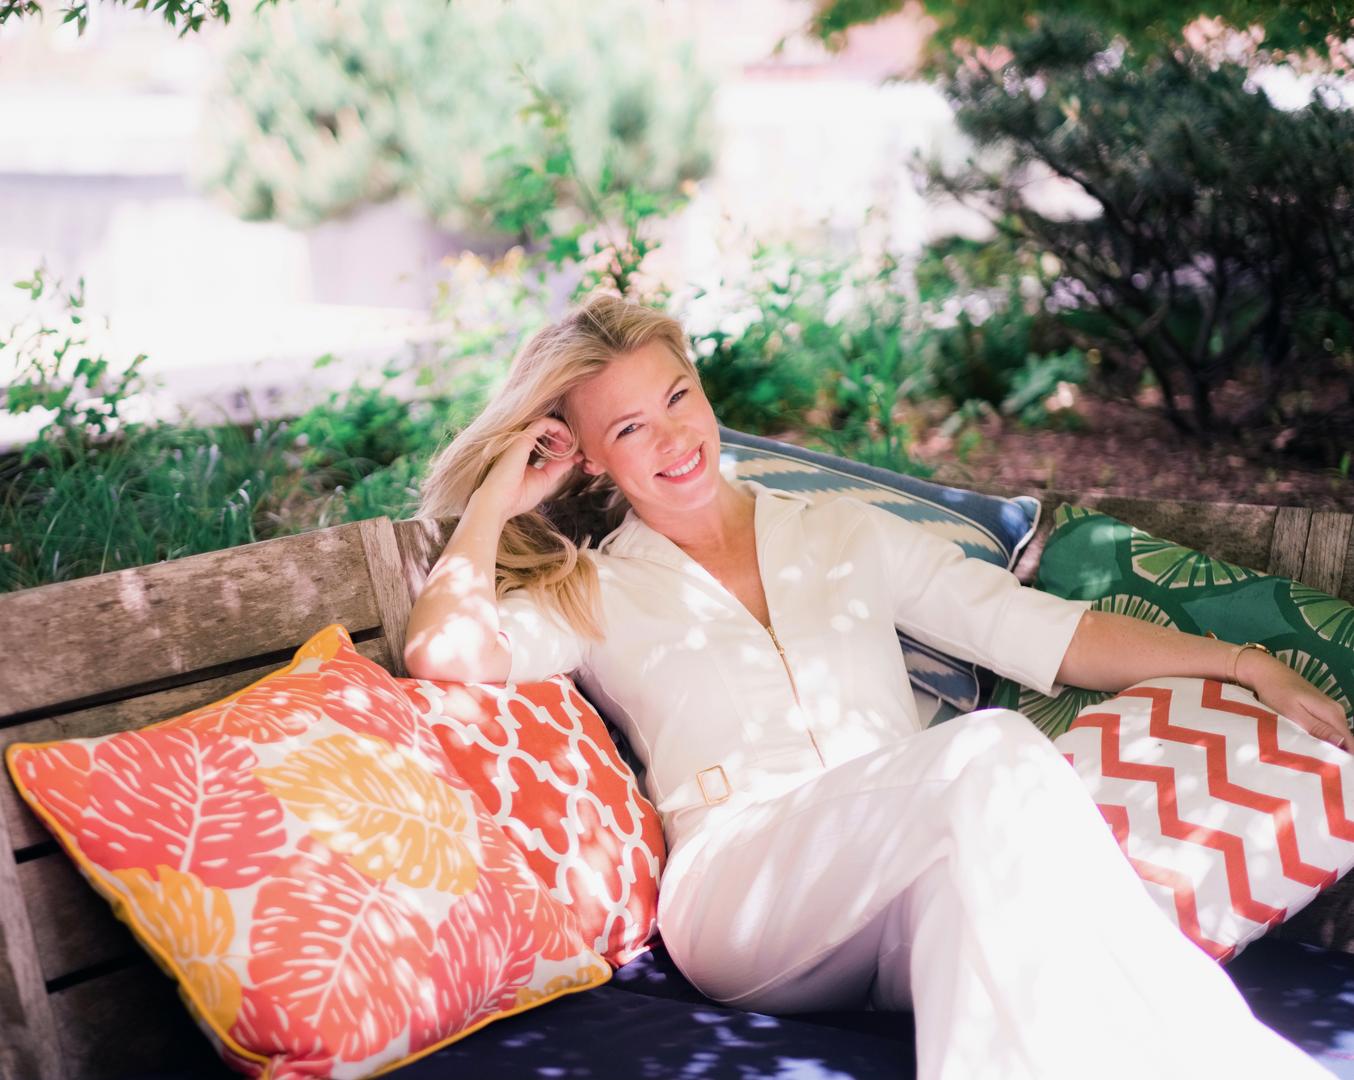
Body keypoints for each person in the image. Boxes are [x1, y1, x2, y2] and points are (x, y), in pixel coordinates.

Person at [404, 292, 1351, 1080]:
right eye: (628, 428)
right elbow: (443, 652)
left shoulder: (840, 532)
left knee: (994, 936)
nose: (673, 437)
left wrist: (1241, 663)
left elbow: (1040, 633)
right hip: (745, 893)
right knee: (994, 750)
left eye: (678, 396)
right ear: (588, 456)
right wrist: (496, 498)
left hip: (901, 876)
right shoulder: (593, 590)